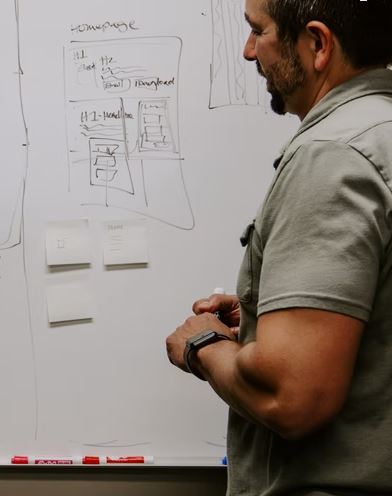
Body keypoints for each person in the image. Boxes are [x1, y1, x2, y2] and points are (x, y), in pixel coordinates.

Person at [166, 0, 392, 494]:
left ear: (318, 44)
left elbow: (292, 397)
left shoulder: (332, 157)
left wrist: (202, 344)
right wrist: (263, 314)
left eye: (258, 31)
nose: (249, 52)